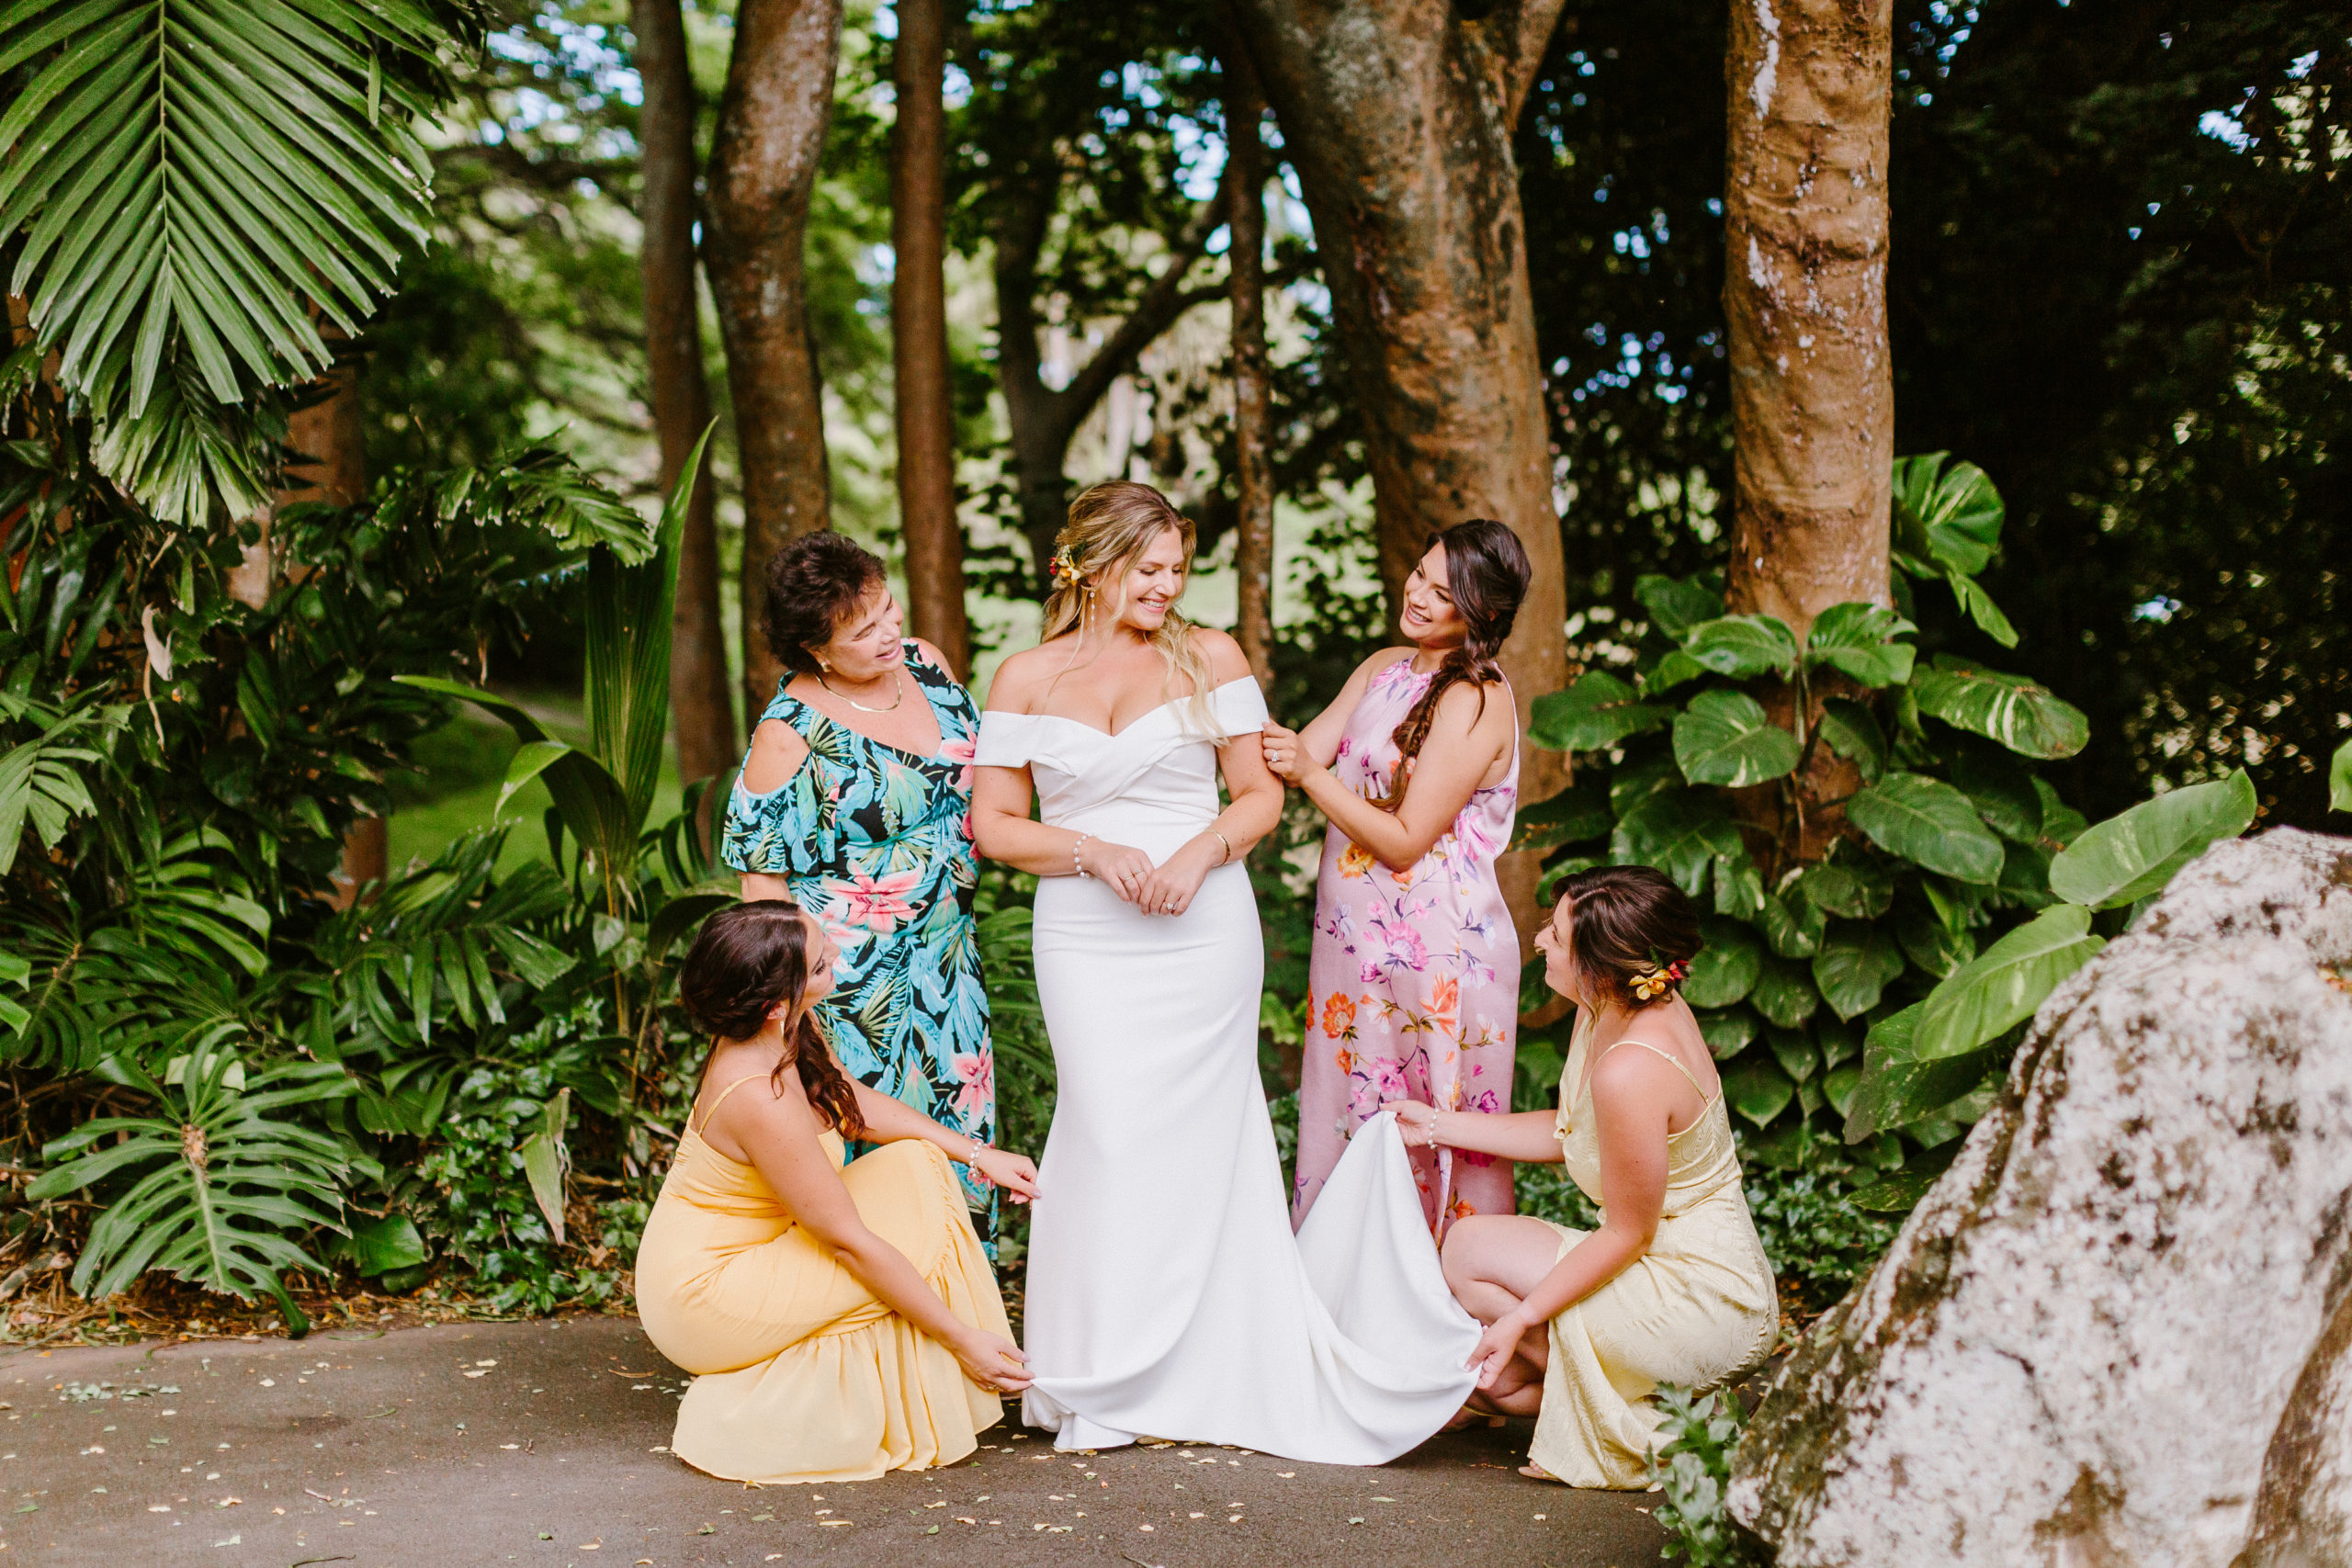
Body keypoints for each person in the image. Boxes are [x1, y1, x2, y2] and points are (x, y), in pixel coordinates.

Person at [971, 479, 1478, 1462]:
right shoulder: (1023, 677)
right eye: (1149, 569)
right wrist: (1090, 852)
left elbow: (1257, 798)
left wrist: (1194, 857)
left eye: (1177, 569)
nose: (1168, 586)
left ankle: (1211, 1363)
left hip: (1201, 924)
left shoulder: (1209, 656)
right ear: (1090, 565)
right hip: (1084, 927)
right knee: (1107, 1126)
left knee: (1207, 1132)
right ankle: (1101, 1372)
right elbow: (995, 826)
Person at [1394, 865, 1778, 1486]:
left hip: (1704, 1295)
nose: (1541, 938)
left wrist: (1519, 1320)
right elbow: (1570, 1129)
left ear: (1598, 965)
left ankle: (1649, 1422)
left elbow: (1628, 1233)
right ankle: (1593, 1399)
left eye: (1557, 933)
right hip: (1663, 1259)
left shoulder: (1633, 1066)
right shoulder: (1612, 1004)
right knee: (1507, 1385)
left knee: (1471, 1258)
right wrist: (1436, 1125)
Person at [634, 900, 1040, 1485]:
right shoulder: (758, 1097)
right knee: (896, 1242)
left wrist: (978, 1154)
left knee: (919, 1165)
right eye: (822, 964)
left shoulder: (779, 1028)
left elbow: (850, 1103)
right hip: (704, 1293)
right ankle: (785, 1405)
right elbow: (848, 1242)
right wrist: (958, 1338)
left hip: (753, 1250)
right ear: (776, 1003)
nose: (839, 962)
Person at [721, 534, 1000, 1250]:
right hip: (854, 992)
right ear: (816, 647)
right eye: (863, 628)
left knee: (962, 1154)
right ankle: (883, 1343)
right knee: (884, 1174)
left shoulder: (927, 666)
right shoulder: (790, 735)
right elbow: (762, 883)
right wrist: (791, 1011)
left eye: (887, 607)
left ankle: (963, 1328)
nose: (890, 632)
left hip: (948, 967)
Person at [1261, 519, 1531, 1234]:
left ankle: (1433, 1294)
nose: (1416, 594)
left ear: (1485, 612)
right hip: (1352, 949)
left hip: (1433, 954)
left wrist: (1311, 775)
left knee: (1419, 1123)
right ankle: (1339, 1290)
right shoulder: (1387, 666)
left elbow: (1408, 840)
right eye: (1419, 573)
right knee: (1343, 1110)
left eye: (1443, 592)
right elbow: (1294, 752)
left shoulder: (1475, 697)